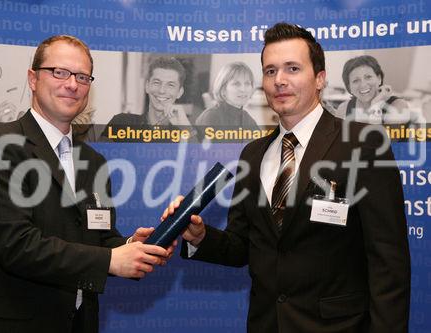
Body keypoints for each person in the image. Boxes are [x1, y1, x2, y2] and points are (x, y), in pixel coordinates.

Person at [164, 23, 410, 332]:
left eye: (292, 68)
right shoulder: (252, 155)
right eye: (270, 71)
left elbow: (389, 262)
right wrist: (201, 238)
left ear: (319, 78)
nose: (280, 80)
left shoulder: (363, 143)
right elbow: (244, 246)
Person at [0, 35, 172, 333]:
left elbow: (96, 237)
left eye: (82, 77)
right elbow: (15, 245)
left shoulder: (94, 161)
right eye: (59, 72)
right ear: (33, 79)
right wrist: (110, 259)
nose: (72, 84)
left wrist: (129, 246)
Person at [336, 55, 422, 124]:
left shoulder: (398, 105)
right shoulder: (343, 109)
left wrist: (376, 105)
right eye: (356, 81)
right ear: (349, 87)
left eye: (368, 77)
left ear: (379, 79)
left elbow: (384, 143)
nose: (363, 85)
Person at [195, 61, 259, 129]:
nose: (243, 89)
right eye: (236, 84)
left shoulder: (248, 119)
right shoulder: (211, 117)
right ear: (223, 89)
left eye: (247, 83)